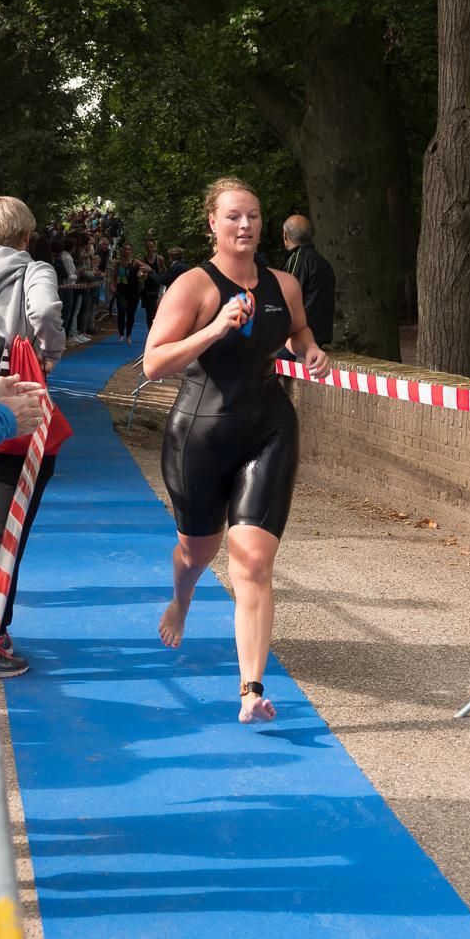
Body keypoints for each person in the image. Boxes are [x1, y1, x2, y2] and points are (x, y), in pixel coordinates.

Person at [143, 176, 329, 723]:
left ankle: (251, 689)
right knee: (198, 553)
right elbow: (154, 363)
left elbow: (297, 332)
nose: (245, 226)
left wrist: (311, 349)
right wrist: (216, 327)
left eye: (253, 216)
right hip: (199, 435)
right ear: (212, 225)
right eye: (233, 217)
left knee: (252, 561)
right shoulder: (193, 287)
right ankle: (182, 596)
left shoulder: (283, 284)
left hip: (267, 428)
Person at [0, 196, 66, 677]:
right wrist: (49, 355)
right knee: (8, 529)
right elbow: (43, 314)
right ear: (26, 236)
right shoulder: (33, 269)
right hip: (15, 399)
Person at [281, 214, 336, 348]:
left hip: (300, 338)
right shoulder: (324, 263)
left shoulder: (298, 260)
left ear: (286, 235)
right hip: (320, 336)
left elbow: (285, 300)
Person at [110, 243, 140, 344]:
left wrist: (143, 274)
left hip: (133, 291)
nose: (127, 251)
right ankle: (121, 334)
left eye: (129, 249)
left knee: (131, 314)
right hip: (121, 290)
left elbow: (146, 268)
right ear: (122, 251)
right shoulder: (118, 264)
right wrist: (113, 286)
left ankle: (129, 335)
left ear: (131, 251)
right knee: (121, 310)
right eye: (125, 249)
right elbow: (114, 277)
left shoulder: (135, 262)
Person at [135, 239, 165, 331]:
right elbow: (137, 274)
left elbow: (164, 271)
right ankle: (150, 331)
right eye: (148, 247)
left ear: (154, 248)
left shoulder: (159, 259)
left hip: (156, 288)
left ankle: (156, 331)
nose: (149, 249)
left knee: (155, 312)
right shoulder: (142, 260)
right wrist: (141, 275)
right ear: (145, 248)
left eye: (151, 246)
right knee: (149, 313)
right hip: (146, 289)